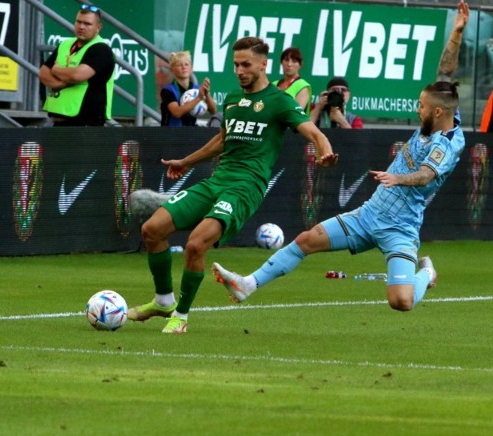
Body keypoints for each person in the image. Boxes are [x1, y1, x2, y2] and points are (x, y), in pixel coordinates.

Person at [212, 2, 469, 315]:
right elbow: (445, 72)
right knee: (307, 239)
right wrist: (456, 32)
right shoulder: (441, 110)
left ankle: (426, 272)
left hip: (401, 227)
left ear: (438, 112)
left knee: (400, 302)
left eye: (422, 107)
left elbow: (426, 174)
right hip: (370, 214)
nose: (418, 109)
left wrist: (398, 178)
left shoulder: (449, 143)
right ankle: (247, 285)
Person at [128, 36, 338, 334]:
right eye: (236, 64)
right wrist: (186, 162)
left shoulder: (280, 102)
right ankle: (163, 301)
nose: (239, 70)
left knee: (196, 245)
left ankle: (182, 315)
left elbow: (313, 133)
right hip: (217, 181)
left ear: (264, 64)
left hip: (245, 188)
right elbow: (223, 140)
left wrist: (325, 152)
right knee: (152, 230)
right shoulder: (233, 100)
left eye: (246, 64)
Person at [38, 4, 115, 126]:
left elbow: (77, 75)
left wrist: (57, 70)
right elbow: (43, 73)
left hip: (86, 124)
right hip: (58, 120)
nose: (81, 27)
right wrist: (62, 82)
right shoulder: (65, 44)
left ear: (98, 27)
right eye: (78, 22)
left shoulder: (101, 49)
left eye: (87, 24)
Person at [160, 50, 217, 126]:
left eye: (186, 64)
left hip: (190, 132)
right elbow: (177, 113)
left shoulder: (197, 89)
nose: (184, 67)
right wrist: (198, 98)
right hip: (171, 133)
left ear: (191, 68)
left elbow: (213, 111)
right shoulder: (167, 91)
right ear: (172, 69)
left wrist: (206, 94)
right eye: (179, 65)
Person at [272, 47, 312, 115]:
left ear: (300, 65)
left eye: (294, 61)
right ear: (281, 62)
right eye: (286, 60)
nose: (289, 64)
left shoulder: (303, 86)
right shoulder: (273, 84)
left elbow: (296, 114)